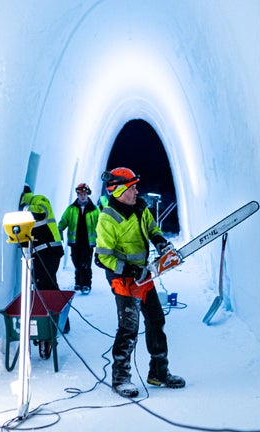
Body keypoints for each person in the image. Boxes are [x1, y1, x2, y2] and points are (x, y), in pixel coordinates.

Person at [95, 167, 185, 398]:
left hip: (144, 276)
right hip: (123, 279)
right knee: (128, 329)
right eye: (132, 187)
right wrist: (129, 269)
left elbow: (151, 227)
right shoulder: (108, 217)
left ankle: (158, 372)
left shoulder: (141, 206)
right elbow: (102, 257)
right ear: (120, 190)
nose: (137, 190)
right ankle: (121, 378)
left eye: (136, 186)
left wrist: (161, 243)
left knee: (156, 321)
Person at [18, 184, 65, 291]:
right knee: (43, 281)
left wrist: (24, 208)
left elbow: (42, 212)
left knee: (44, 282)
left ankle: (51, 306)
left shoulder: (38, 199)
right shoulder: (25, 214)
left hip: (49, 250)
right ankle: (52, 305)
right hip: (42, 252)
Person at [58, 183, 100, 294]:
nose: (82, 196)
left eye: (84, 194)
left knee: (86, 262)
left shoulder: (94, 210)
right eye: (80, 194)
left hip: (88, 241)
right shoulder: (71, 209)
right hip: (75, 241)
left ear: (88, 194)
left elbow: (100, 225)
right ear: (77, 194)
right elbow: (64, 221)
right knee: (76, 261)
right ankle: (78, 282)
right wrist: (59, 229)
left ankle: (86, 284)